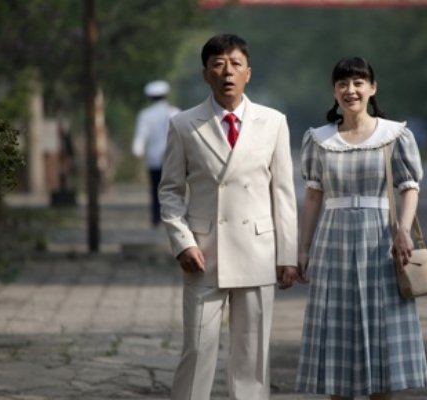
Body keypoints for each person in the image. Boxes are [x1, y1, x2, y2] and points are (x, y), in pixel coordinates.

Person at [158, 33, 298, 400]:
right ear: (205, 74)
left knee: (252, 355)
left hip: (258, 251)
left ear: (248, 73)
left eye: (236, 64)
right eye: (218, 65)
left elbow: (283, 193)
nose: (227, 72)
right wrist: (182, 243)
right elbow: (170, 191)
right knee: (197, 350)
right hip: (204, 253)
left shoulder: (273, 122)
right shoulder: (184, 125)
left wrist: (288, 255)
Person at [295, 57, 427, 399]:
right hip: (333, 241)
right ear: (334, 91)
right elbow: (313, 196)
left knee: (382, 332)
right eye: (343, 83)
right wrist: (303, 248)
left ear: (372, 88)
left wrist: (403, 230)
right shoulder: (319, 139)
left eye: (358, 82)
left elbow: (409, 187)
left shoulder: (394, 135)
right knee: (336, 332)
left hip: (381, 240)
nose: (350, 90)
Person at [132, 80, 181, 227]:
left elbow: (141, 135)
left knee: (155, 188)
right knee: (173, 188)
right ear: (166, 95)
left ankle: (156, 217)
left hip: (154, 158)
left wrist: (137, 150)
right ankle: (172, 216)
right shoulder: (175, 112)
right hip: (173, 157)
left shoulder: (145, 115)